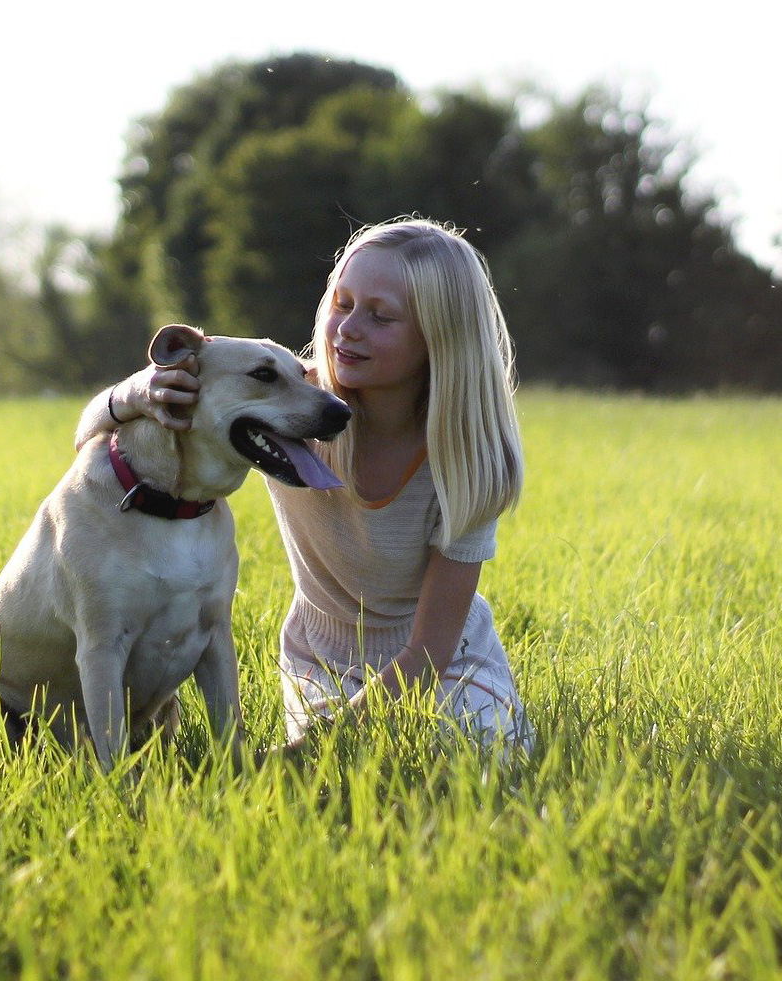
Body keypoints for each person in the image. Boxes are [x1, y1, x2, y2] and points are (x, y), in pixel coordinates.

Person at [89, 217, 532, 752]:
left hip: (441, 660)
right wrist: (138, 393)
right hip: (322, 657)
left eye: (381, 316)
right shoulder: (287, 403)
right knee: (342, 777)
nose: (348, 329)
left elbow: (430, 652)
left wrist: (304, 752)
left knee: (468, 755)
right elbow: (89, 432)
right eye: (342, 304)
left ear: (439, 337)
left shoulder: (469, 461)